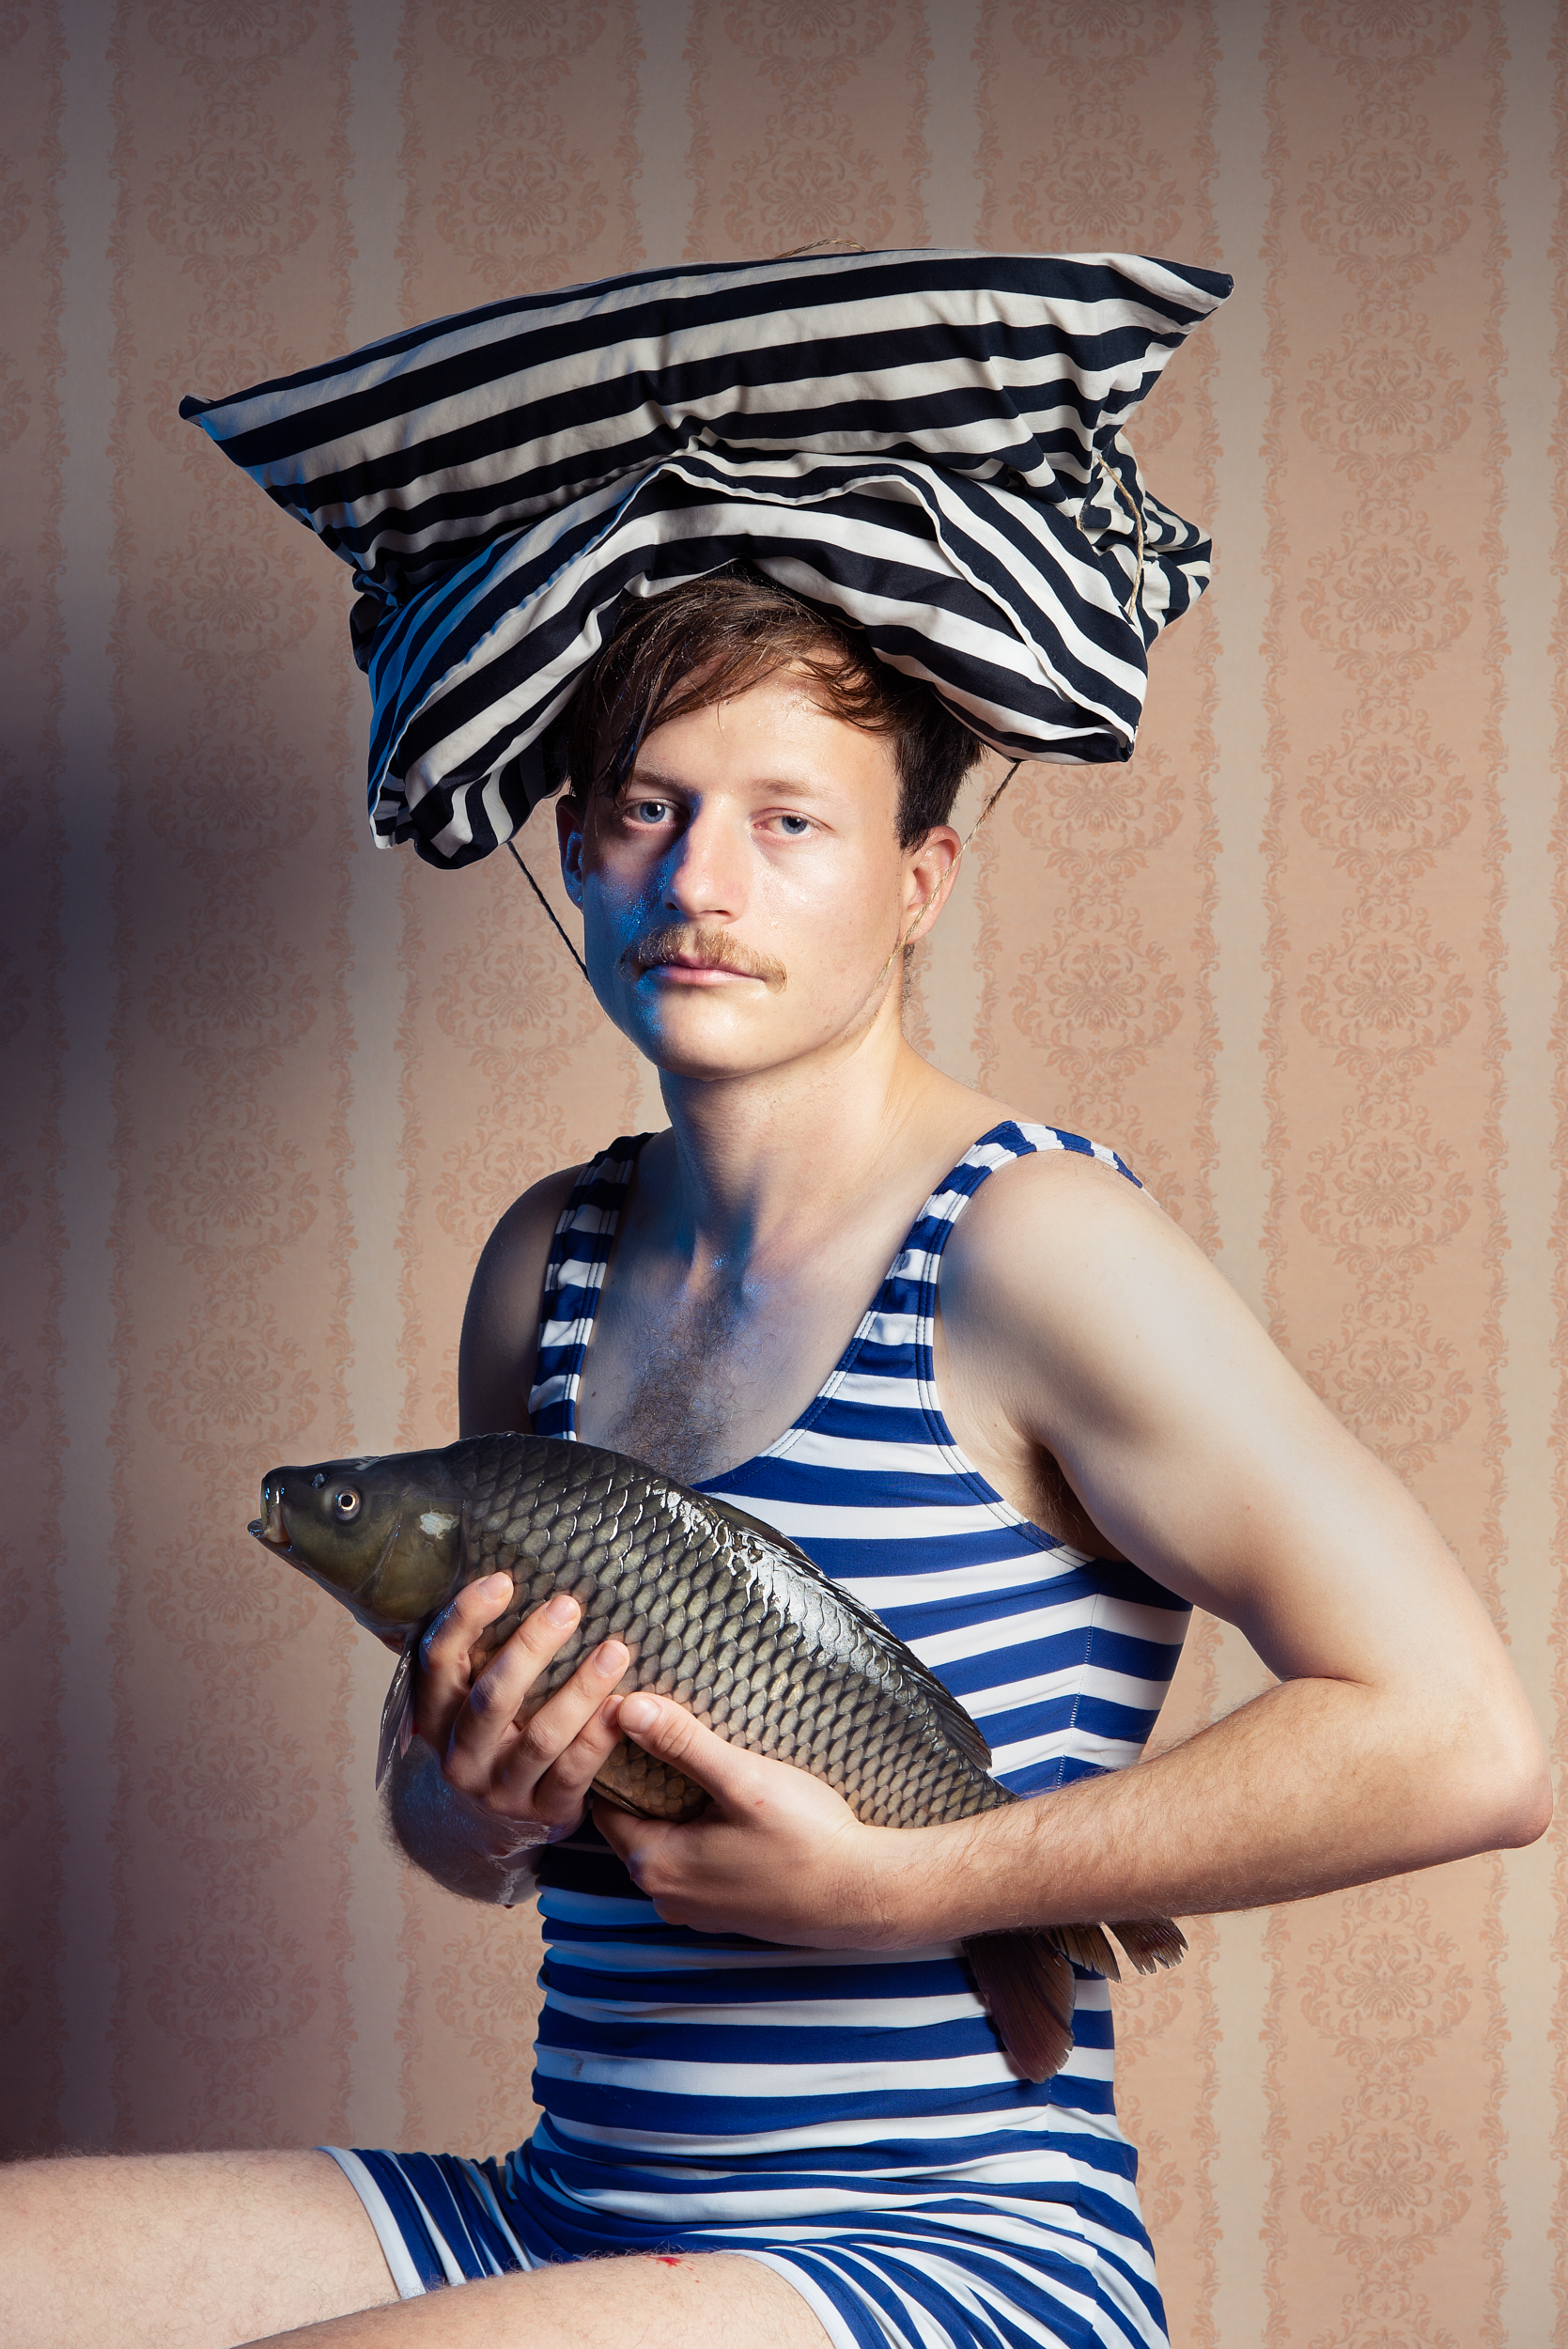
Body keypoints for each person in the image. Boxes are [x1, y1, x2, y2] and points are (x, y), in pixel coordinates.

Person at [2, 568, 1549, 2349]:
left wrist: (909, 1886)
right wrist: (474, 1799)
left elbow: (1461, 1742)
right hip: (572, 2214)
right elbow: (457, 1833)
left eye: (786, 820)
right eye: (646, 809)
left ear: (918, 879)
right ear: (576, 851)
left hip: (947, 2263)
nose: (698, 883)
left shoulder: (1034, 1244)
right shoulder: (548, 1258)